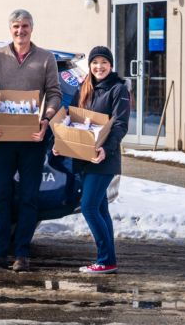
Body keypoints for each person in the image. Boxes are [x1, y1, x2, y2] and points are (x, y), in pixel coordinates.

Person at [0, 9, 62, 272]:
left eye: (25, 26)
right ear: (10, 29)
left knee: (29, 198)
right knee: (0, 197)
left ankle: (22, 254)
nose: (20, 30)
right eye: (16, 26)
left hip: (32, 138)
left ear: (31, 28)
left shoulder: (46, 58)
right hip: (3, 137)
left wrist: (46, 120)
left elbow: (54, 94)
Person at [54, 45, 130, 274]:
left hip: (103, 159)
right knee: (100, 208)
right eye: (95, 63)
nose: (99, 67)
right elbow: (74, 121)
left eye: (104, 62)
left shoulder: (118, 89)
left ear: (111, 65)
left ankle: (105, 259)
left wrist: (106, 148)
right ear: (90, 66)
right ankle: (109, 260)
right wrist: (62, 143)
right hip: (84, 157)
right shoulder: (84, 87)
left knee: (88, 207)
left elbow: (120, 125)